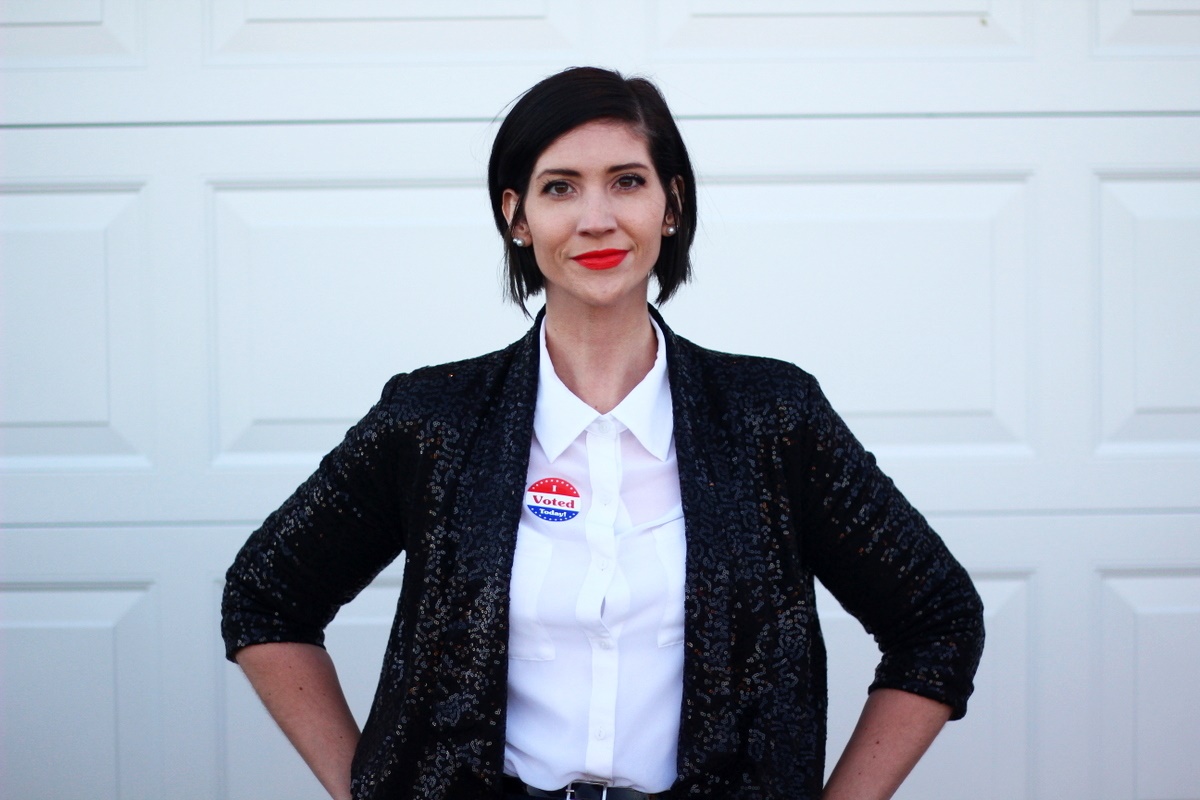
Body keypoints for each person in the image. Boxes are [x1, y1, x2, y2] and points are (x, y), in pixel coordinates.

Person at [222, 66, 985, 800]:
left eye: (627, 181)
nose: (597, 218)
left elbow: (937, 620)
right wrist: (368, 787)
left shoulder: (772, 418)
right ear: (516, 217)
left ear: (671, 205)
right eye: (560, 188)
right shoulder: (434, 421)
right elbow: (266, 597)